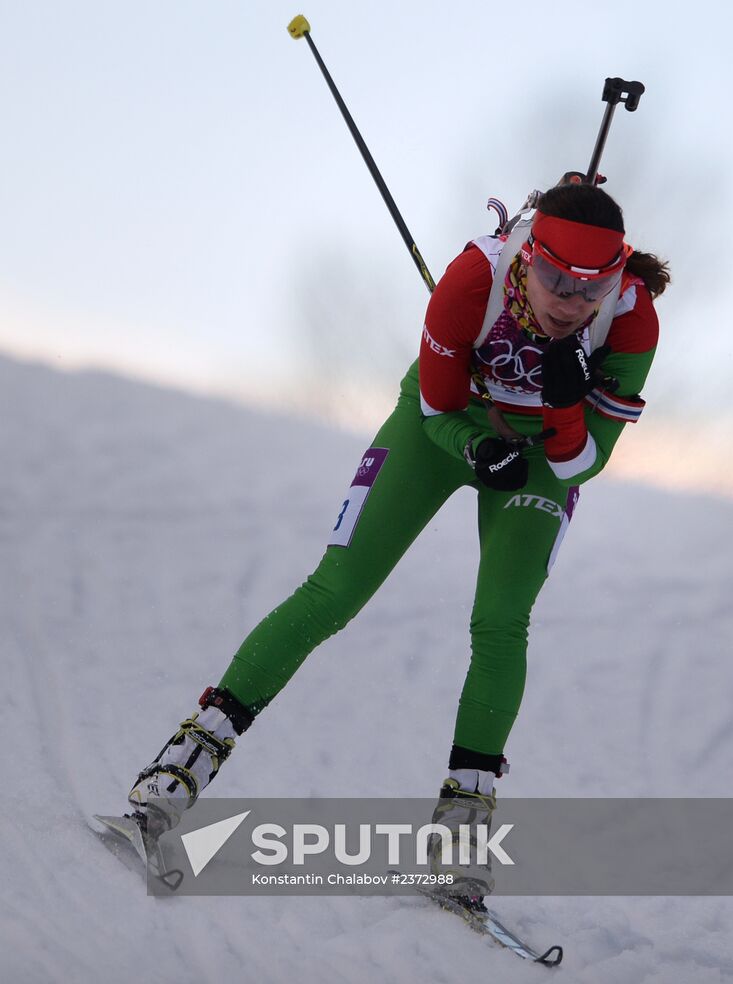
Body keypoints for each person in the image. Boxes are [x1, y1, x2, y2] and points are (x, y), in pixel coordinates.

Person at [127, 179, 669, 900]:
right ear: (527, 257)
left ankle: (461, 826)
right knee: (334, 590)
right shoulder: (471, 280)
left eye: (590, 288)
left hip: (544, 454)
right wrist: (476, 448)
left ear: (616, 277)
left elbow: (584, 463)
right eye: (555, 280)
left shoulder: (629, 319)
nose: (571, 302)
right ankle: (180, 768)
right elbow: (436, 409)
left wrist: (567, 404)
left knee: (501, 620)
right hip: (443, 428)